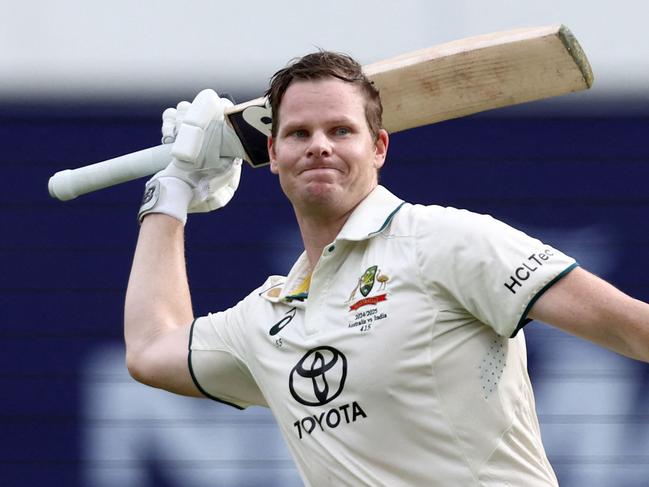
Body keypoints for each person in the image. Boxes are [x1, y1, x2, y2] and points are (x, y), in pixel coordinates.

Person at [124, 51, 649, 486]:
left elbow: (632, 328)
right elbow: (151, 350)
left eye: (341, 130)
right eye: (299, 133)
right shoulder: (267, 318)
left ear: (378, 148)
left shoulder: (445, 241)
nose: (320, 146)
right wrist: (171, 193)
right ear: (274, 155)